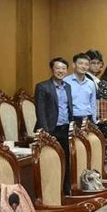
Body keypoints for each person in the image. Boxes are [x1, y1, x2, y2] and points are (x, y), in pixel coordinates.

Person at [34, 57, 73, 195]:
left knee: (66, 160)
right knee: (51, 161)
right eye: (58, 68)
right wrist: (45, 133)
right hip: (50, 130)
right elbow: (40, 111)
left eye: (63, 68)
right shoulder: (42, 87)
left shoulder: (67, 86)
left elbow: (68, 108)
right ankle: (51, 192)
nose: (60, 71)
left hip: (65, 129)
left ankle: (66, 190)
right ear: (52, 69)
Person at [64, 53, 97, 126]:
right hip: (72, 118)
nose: (84, 66)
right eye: (80, 63)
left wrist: (94, 121)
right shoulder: (66, 82)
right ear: (74, 65)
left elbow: (93, 103)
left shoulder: (91, 83)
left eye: (86, 64)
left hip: (88, 117)